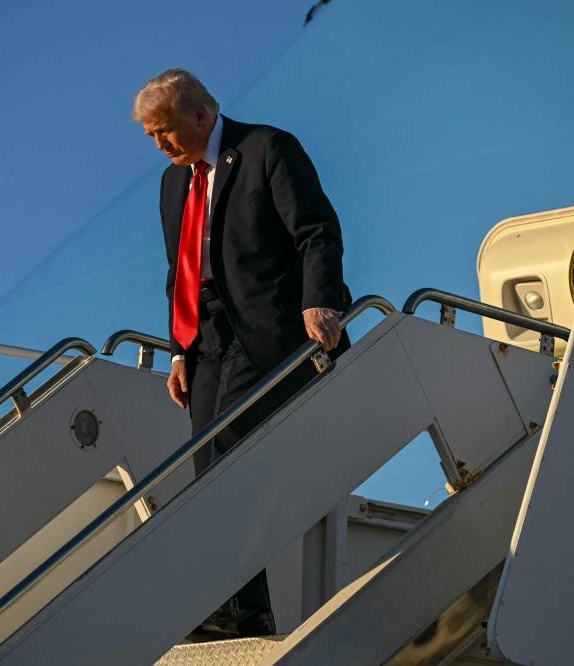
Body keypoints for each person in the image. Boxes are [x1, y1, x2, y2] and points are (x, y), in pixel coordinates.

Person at [133, 68, 349, 640]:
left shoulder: (267, 149)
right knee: (209, 465)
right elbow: (180, 271)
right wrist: (179, 349)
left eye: (165, 131)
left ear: (202, 116)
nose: (159, 145)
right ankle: (246, 609)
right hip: (205, 341)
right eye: (151, 136)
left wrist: (318, 302)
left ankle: (231, 602)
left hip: (267, 330)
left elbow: (318, 232)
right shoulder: (171, 183)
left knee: (227, 447)